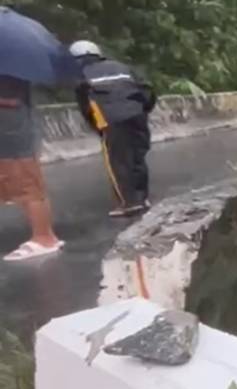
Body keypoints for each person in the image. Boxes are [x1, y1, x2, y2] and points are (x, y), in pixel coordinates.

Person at [71, 40, 157, 218]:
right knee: (137, 157)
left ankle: (129, 203)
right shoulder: (122, 66)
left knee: (117, 161)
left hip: (111, 119)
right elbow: (147, 89)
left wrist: (98, 128)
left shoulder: (81, 75)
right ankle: (142, 197)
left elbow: (86, 107)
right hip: (137, 115)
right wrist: (143, 110)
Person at [0, 74, 62, 261]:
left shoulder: (8, 65)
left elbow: (11, 100)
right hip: (8, 133)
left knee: (28, 184)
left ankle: (44, 238)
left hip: (14, 133)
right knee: (13, 184)